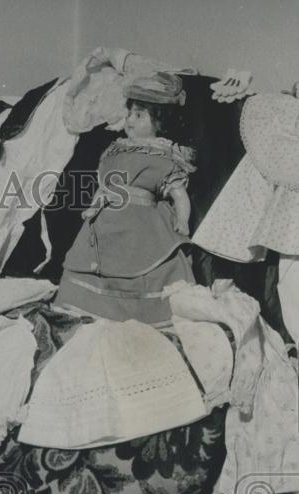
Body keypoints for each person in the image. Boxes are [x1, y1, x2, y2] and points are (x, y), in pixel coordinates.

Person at [55, 71, 196, 325]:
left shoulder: (163, 154)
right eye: (130, 113)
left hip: (141, 223)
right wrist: (93, 206)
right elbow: (105, 187)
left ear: (159, 121)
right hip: (107, 218)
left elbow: (179, 194)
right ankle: (89, 305)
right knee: (94, 260)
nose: (130, 120)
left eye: (139, 115)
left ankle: (139, 311)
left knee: (143, 263)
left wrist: (183, 220)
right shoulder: (115, 149)